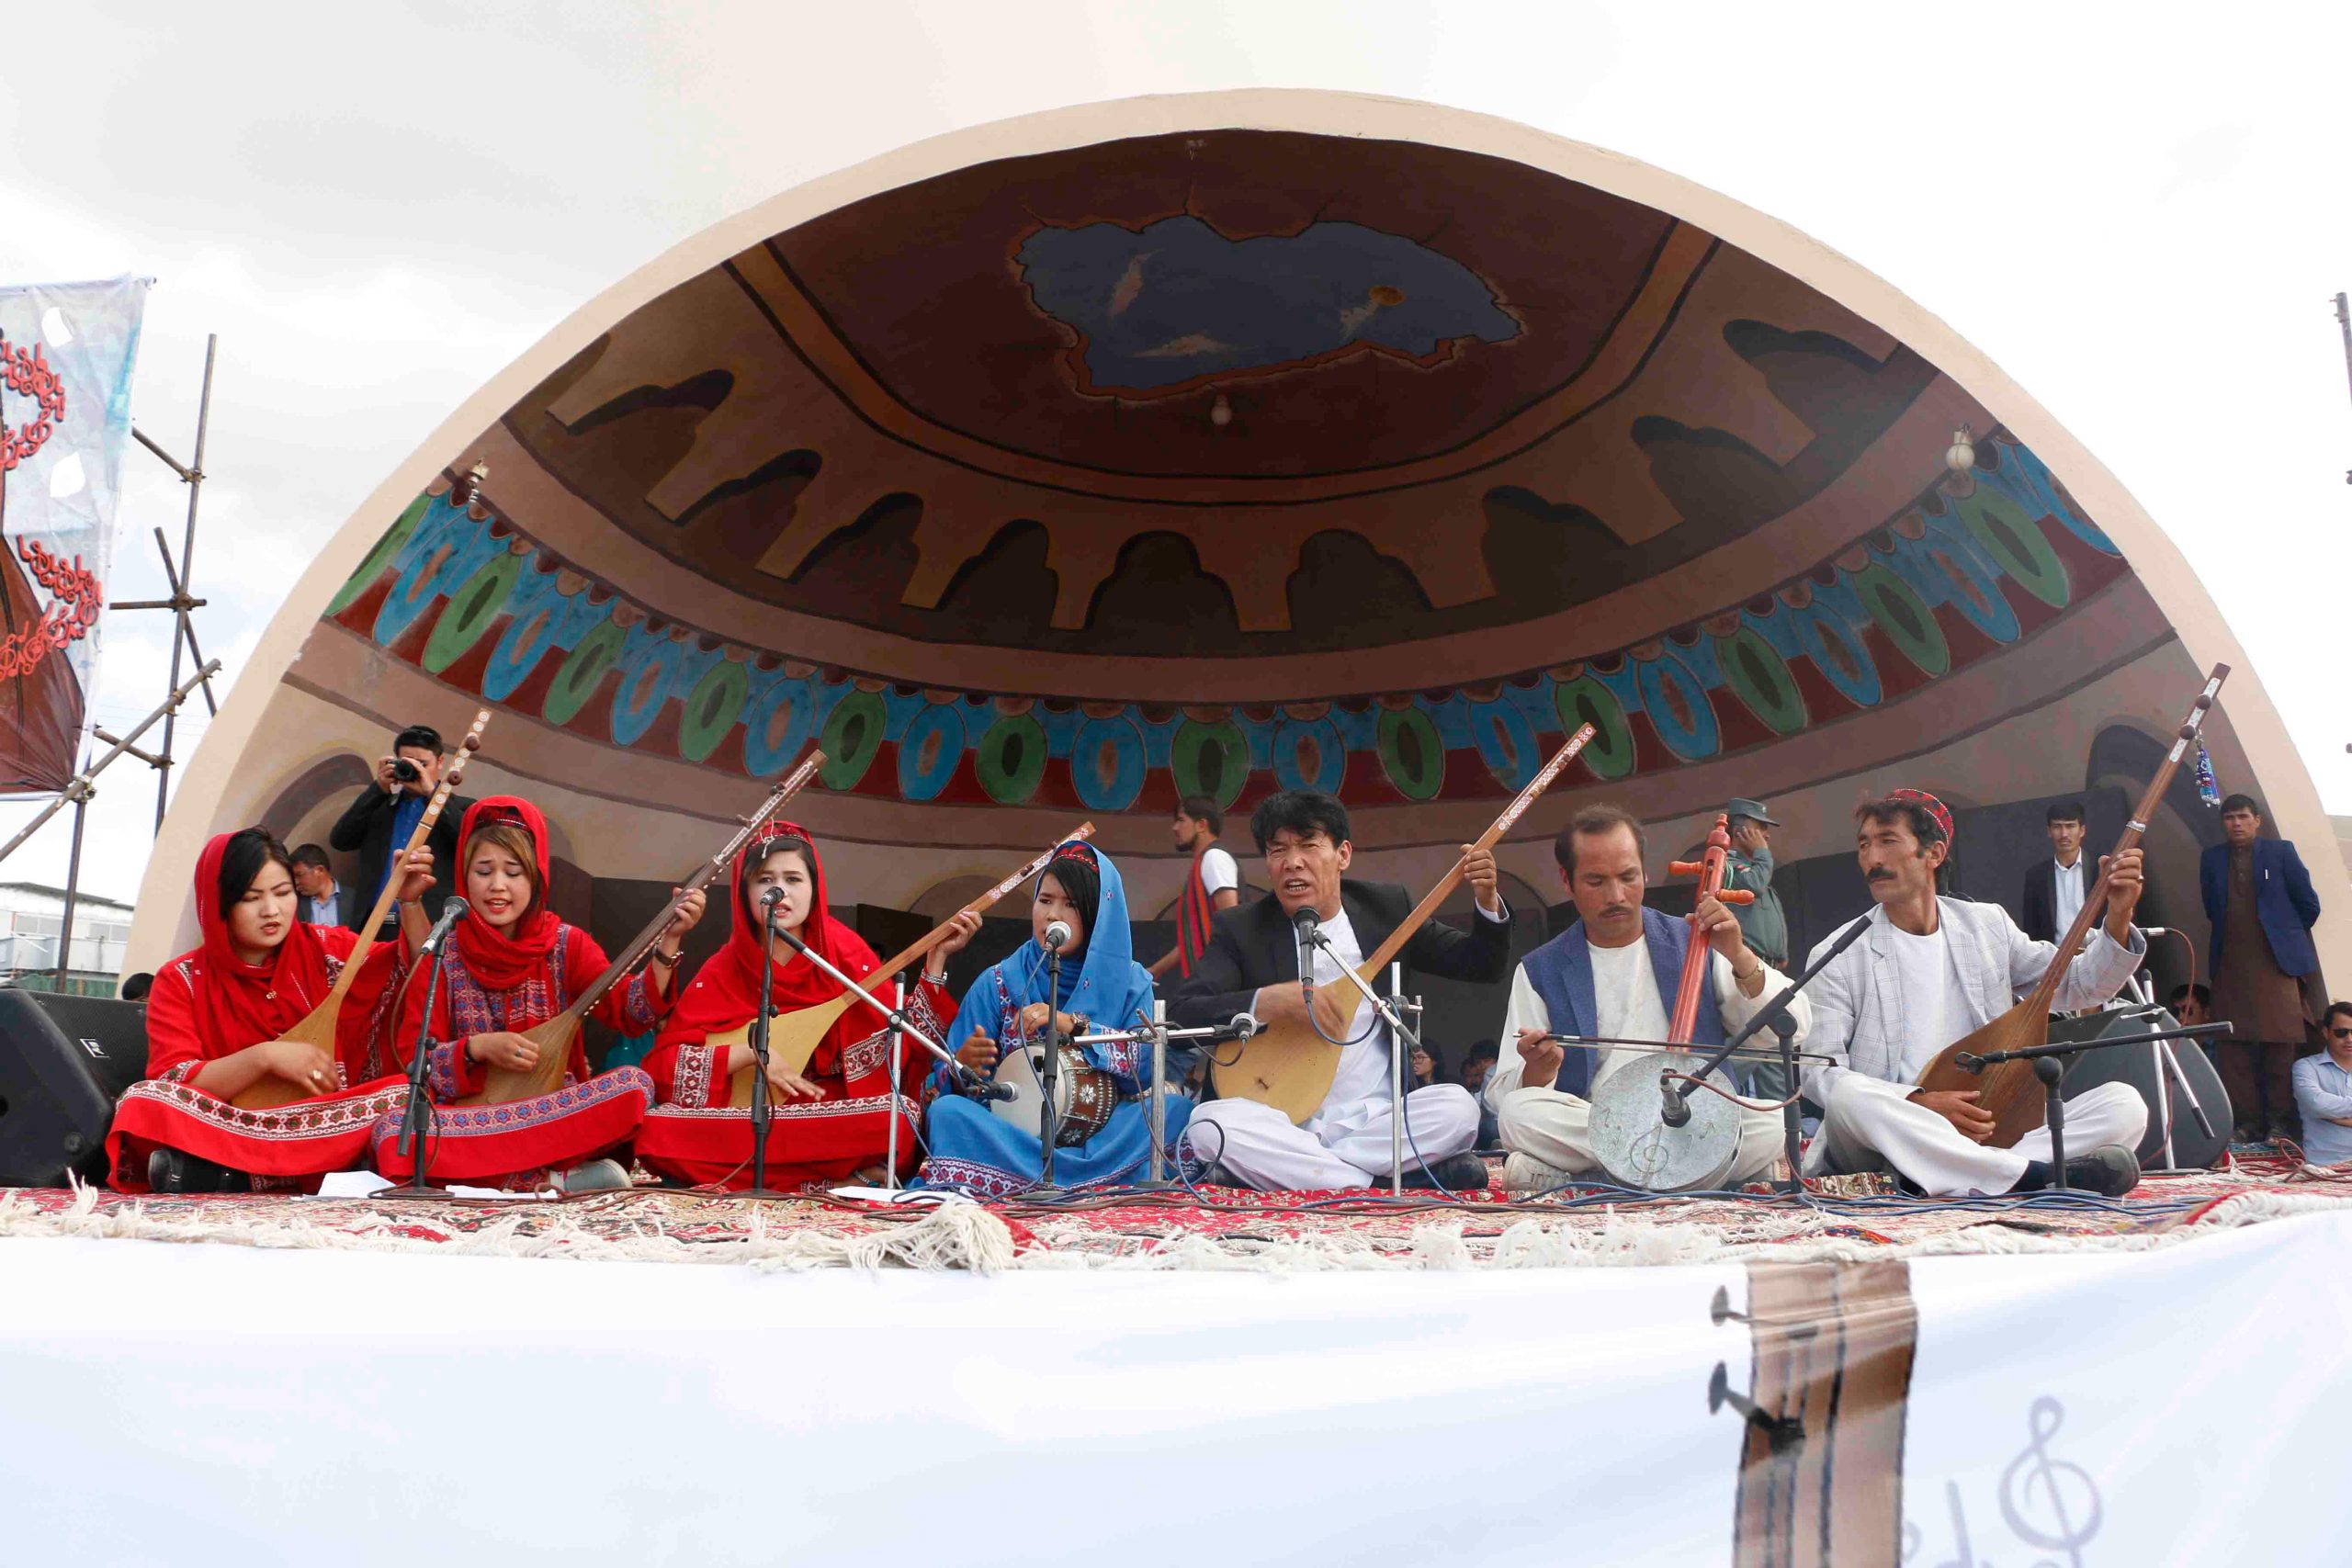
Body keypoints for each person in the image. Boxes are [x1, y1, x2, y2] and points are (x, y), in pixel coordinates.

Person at [1799, 790, 2150, 1197]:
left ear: (1933, 853)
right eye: (1864, 845)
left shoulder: (1986, 926)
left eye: (1887, 841)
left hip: (1988, 1123)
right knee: (1847, 1094)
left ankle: (1969, 1174)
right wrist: (1917, 1102)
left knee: (2125, 1104)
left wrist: (2119, 915)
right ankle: (2033, 1176)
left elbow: (2079, 985)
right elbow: (1817, 1073)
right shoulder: (1838, 953)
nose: (1872, 859)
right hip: (1889, 1138)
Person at [1170, 790, 1506, 1192]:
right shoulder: (1242, 929)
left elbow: (1481, 965)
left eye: (1309, 845)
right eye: (1278, 850)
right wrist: (1268, 1002)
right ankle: (1375, 1183)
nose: (1292, 862)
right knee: (1209, 1126)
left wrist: (1487, 901)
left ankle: (1306, 1173)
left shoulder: (1386, 910)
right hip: (1279, 1123)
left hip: (1376, 1122)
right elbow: (1183, 1015)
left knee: (1459, 1108)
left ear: (1343, 854)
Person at [368, 796, 701, 1191]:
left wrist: (670, 942)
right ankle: (554, 1181)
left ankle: (506, 1178)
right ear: (463, 875)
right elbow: (415, 1065)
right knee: (392, 1134)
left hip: (552, 1116)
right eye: (483, 871)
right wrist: (476, 1048)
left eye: (514, 872)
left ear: (536, 877)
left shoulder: (567, 945)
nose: (498, 886)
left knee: (633, 1087)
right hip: (475, 1121)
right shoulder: (443, 949)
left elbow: (632, 1013)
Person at [1484, 805, 1810, 1192]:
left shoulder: (1697, 943)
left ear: (1646, 872)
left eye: (1627, 877)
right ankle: (1688, 1173)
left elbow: (1794, 1028)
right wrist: (1538, 1072)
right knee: (1519, 1112)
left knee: (1772, 1124)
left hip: (1690, 1119)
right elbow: (1502, 1094)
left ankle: (1596, 1177)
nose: (1616, 895)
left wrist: (1739, 955)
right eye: (1596, 882)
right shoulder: (1541, 969)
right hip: (1597, 1119)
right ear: (1566, 882)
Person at [104, 828, 431, 1193]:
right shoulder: (180, 979)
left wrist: (411, 904)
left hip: (325, 1119)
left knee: (405, 1097)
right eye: (251, 897)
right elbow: (175, 1080)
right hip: (234, 1125)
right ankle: (308, 1171)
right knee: (143, 1101)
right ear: (218, 904)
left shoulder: (328, 949)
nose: (272, 911)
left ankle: (232, 1176)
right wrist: (264, 1058)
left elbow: (418, 973)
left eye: (283, 893)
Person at [636, 822, 956, 1190]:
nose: (779, 891)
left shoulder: (846, 955)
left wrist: (935, 964)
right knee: (656, 1131)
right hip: (745, 1116)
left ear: (814, 889)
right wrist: (748, 1054)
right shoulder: (723, 970)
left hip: (824, 1112)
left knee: (899, 1121)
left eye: (793, 879)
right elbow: (663, 1069)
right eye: (765, 879)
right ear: (744, 892)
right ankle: (835, 1183)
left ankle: (789, 1180)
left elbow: (904, 1041)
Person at [916, 840, 1185, 1195]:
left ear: (1097, 916)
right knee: (949, 1113)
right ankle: (1093, 1183)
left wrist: (1072, 1024)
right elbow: (944, 1083)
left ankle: (1028, 1180)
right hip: (1013, 1134)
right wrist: (961, 1066)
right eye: (1045, 901)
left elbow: (1151, 1066)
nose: (1052, 915)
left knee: (1174, 1109)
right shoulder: (996, 983)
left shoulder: (1131, 982)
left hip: (1102, 1136)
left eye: (1070, 904)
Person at [2200, 794, 2323, 1143]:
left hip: (2276, 967)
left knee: (2279, 1049)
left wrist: (2283, 934)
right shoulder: (2211, 859)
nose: (2236, 824)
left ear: (2257, 821)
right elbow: (2212, 908)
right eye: (2229, 818)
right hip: (2230, 964)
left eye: (2242, 817)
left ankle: (2281, 1124)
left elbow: (2309, 906)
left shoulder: (2280, 852)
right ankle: (2246, 1124)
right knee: (2233, 1051)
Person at [328, 723, 473, 936]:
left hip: (429, 926)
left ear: (440, 762)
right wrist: (377, 789)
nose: (416, 771)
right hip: (375, 924)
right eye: (408, 764)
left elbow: (470, 845)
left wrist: (432, 794)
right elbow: (340, 840)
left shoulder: (461, 808)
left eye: (423, 764)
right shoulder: (381, 806)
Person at [2020, 801, 2102, 945]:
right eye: (2057, 827)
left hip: (2095, 955)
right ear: (2049, 831)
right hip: (2055, 958)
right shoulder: (2036, 876)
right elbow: (2031, 929)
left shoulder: (2101, 869)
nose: (2064, 834)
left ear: (2082, 830)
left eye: (2070, 826)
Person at [1721, 798, 1788, 969]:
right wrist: (1763, 852)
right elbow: (1754, 885)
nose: (1767, 835)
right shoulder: (1726, 863)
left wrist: (1781, 954)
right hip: (1743, 965)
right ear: (1737, 832)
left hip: (1768, 967)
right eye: (1760, 828)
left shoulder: (1756, 868)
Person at [2290, 1003, 2352, 1167]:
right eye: (2342, 1032)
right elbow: (2316, 1104)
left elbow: (2320, 1107)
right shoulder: (2306, 1067)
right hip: (2326, 1165)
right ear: (2326, 1032)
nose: (2349, 1039)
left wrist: (2333, 1114)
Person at [289, 843, 342, 929]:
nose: (296, 882)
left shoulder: (354, 900)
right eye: (293, 877)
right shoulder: (295, 903)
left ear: (319, 870)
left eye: (299, 875)